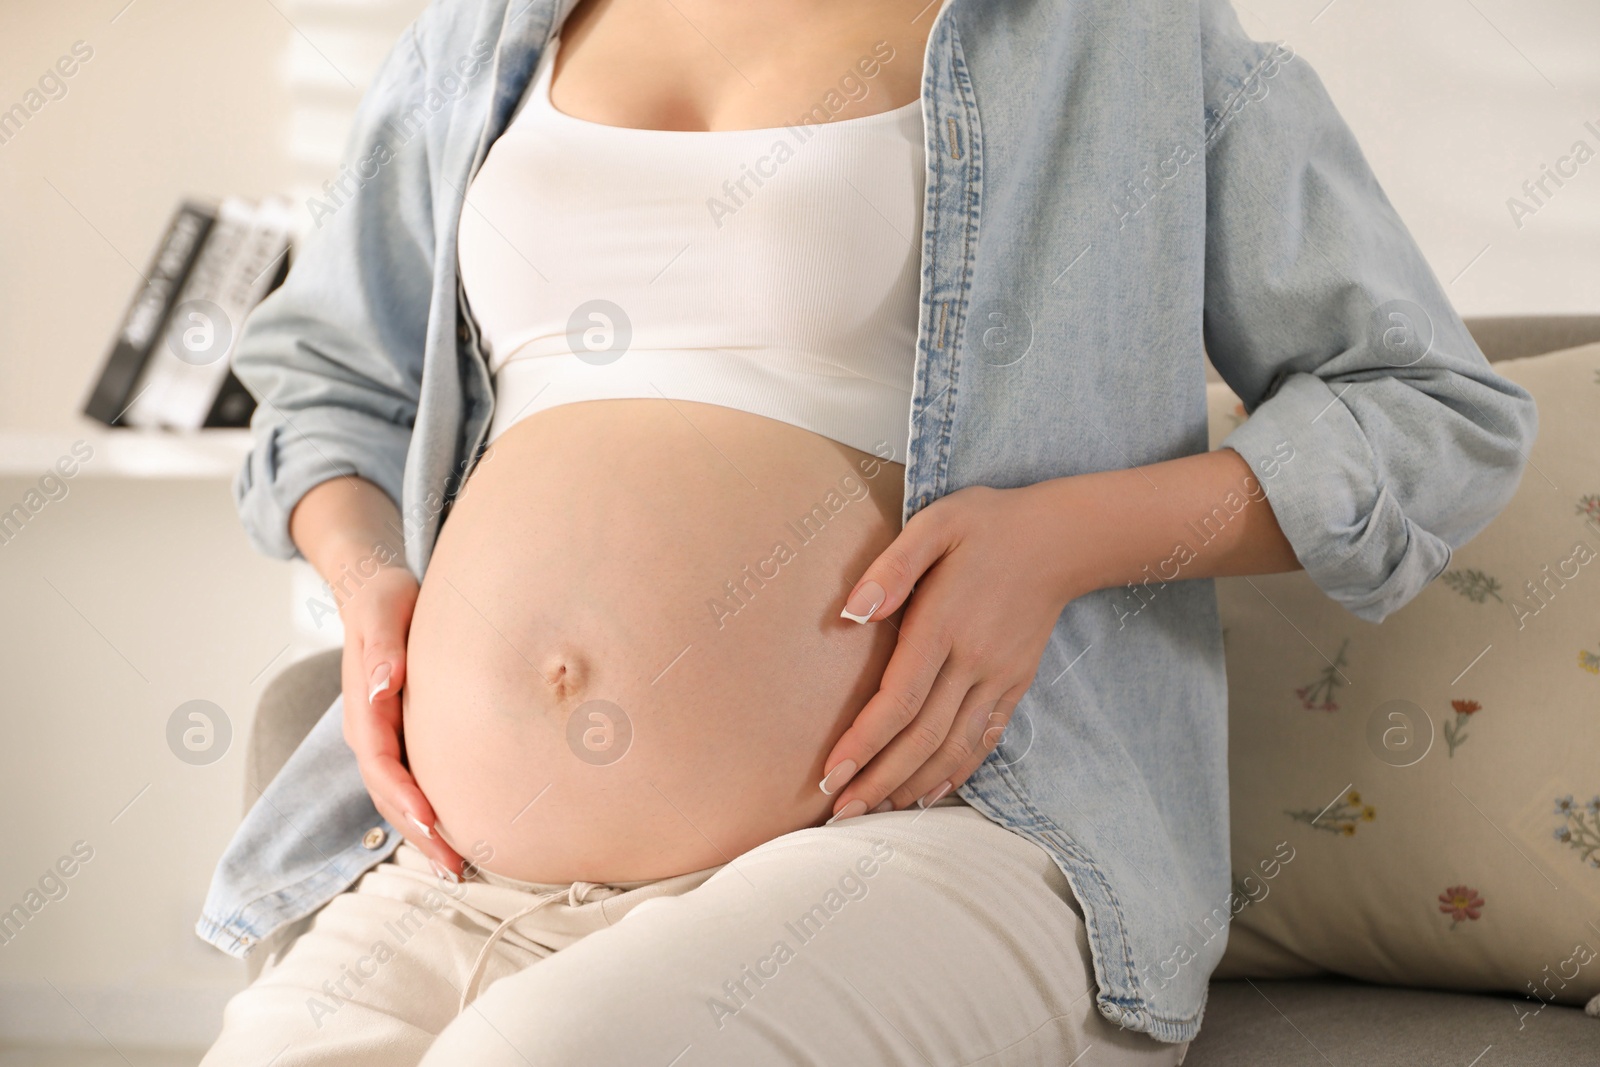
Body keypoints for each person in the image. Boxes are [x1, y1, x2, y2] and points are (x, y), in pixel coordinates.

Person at [197, 0, 1536, 1062]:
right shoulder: (484, 32)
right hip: (466, 872)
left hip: (943, 834)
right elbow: (330, 383)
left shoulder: (1111, 34)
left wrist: (1059, 540)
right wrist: (371, 582)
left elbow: (1426, 415)